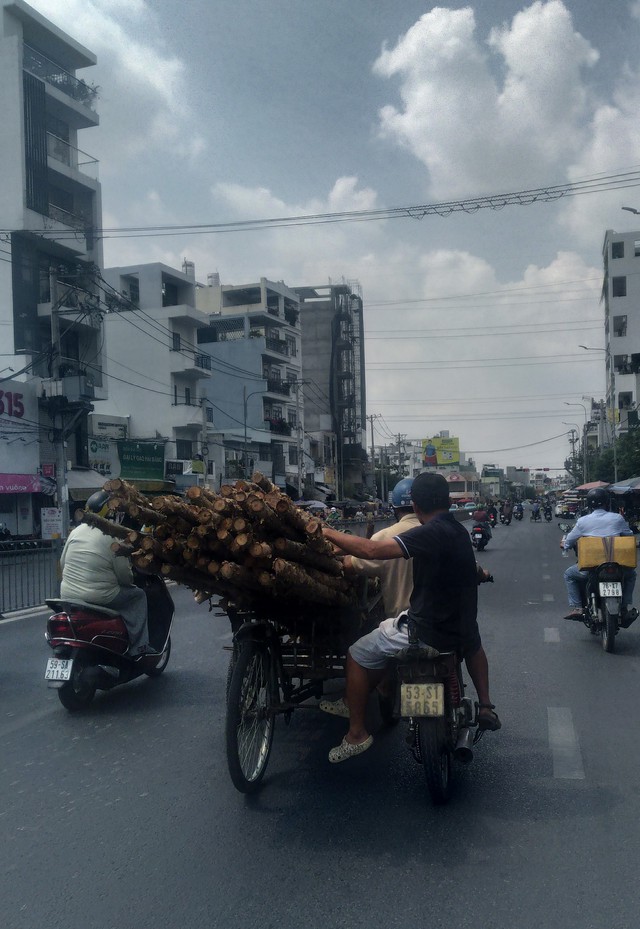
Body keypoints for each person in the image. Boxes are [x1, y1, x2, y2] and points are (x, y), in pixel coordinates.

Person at [321, 472, 500, 763]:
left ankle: (356, 734)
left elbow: (370, 550)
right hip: (461, 630)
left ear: (416, 507)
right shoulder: (460, 534)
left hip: (425, 631)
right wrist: (483, 574)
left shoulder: (428, 533)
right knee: (474, 642)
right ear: (448, 502)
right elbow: (474, 570)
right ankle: (485, 706)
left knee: (356, 654)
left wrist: (326, 533)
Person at [59, 490, 156, 657]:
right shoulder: (111, 536)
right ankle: (140, 646)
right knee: (138, 596)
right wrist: (132, 580)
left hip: (68, 594)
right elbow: (124, 577)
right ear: (108, 511)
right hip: (101, 596)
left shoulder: (75, 532)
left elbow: (62, 563)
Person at [561, 487, 637, 623]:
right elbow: (629, 536)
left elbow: (569, 541)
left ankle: (578, 608)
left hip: (591, 567)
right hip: (617, 564)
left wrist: (565, 545)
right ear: (607, 503)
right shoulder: (617, 518)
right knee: (631, 575)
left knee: (569, 575)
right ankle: (624, 607)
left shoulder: (583, 521)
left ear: (589, 504)